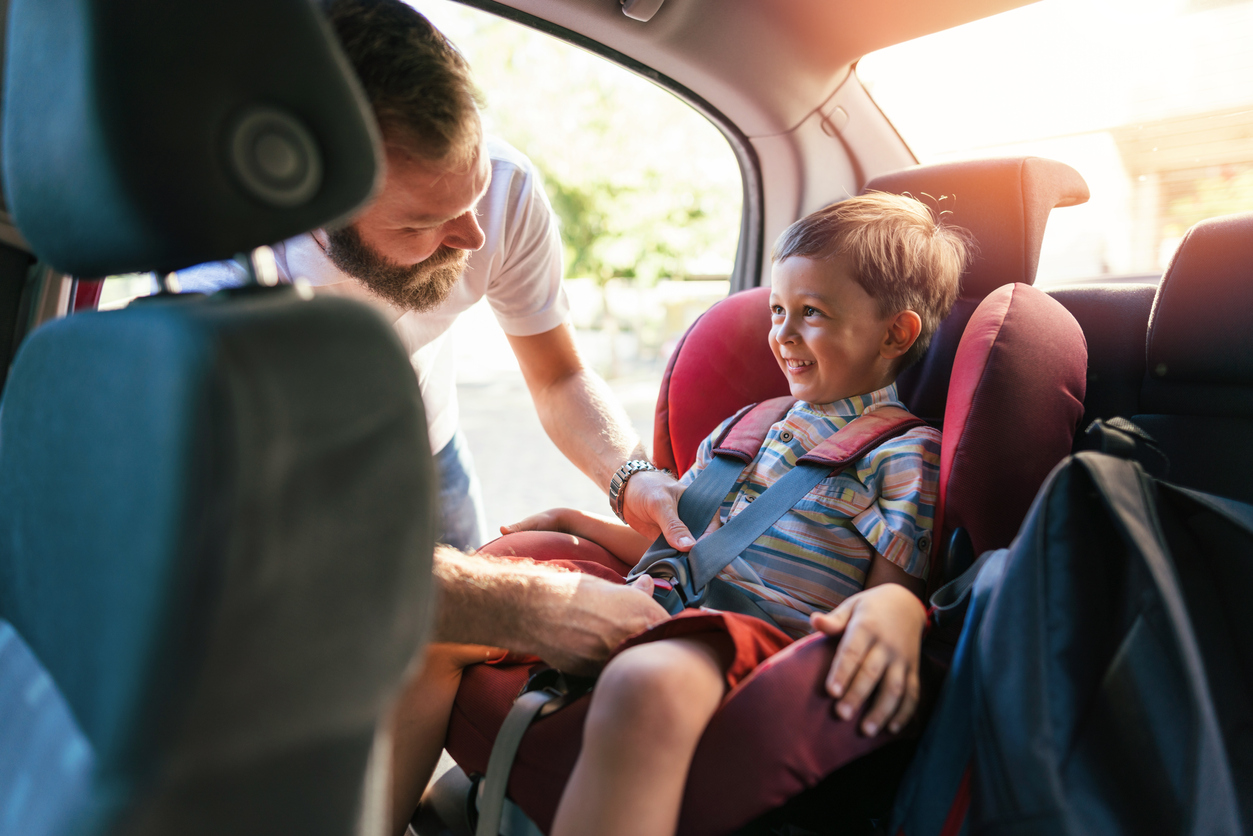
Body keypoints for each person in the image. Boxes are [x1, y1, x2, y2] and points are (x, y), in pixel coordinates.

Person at [388, 191, 970, 836]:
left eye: (812, 314)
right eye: (778, 310)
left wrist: (898, 612)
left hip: (758, 643)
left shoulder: (903, 454)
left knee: (648, 679)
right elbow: (689, 554)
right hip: (666, 606)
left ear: (897, 332)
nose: (782, 333)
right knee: (433, 629)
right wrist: (577, 526)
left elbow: (892, 597)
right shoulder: (747, 425)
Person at [175, 0, 651, 552]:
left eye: (471, 196)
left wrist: (629, 476)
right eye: (424, 222)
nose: (474, 237)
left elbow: (558, 376)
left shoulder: (504, 190)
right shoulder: (218, 289)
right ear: (317, 208)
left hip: (432, 448)